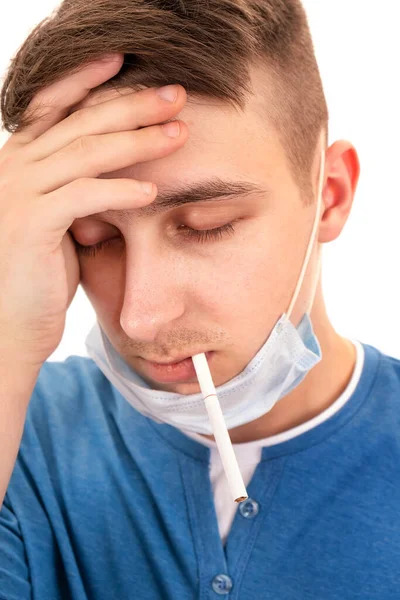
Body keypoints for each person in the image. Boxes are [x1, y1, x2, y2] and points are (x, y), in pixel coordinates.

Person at [0, 0, 399, 598]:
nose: (140, 316)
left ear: (332, 195)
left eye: (206, 224)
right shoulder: (24, 432)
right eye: (95, 239)